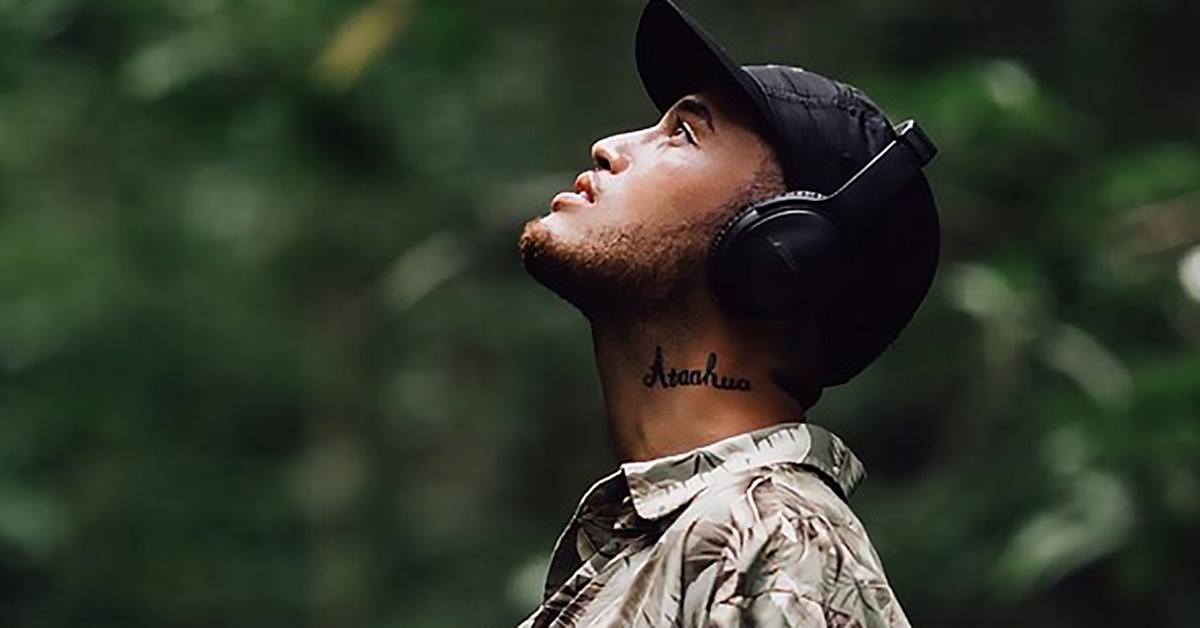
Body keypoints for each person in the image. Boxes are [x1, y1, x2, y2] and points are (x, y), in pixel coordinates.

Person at [515, 0, 940, 625]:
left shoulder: (775, 543)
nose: (608, 146)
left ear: (785, 246)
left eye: (683, 133)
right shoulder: (682, 546)